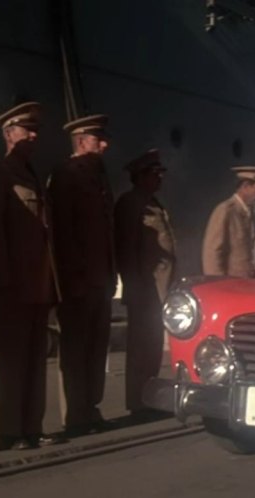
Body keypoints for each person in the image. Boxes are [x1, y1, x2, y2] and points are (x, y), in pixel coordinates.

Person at [0, 102, 65, 449]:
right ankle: (9, 430)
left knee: (34, 357)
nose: (33, 136)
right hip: (12, 285)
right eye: (25, 130)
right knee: (11, 359)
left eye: (35, 130)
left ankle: (32, 426)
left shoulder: (32, 175)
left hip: (38, 283)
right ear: (8, 134)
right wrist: (0, 280)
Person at [48, 114, 117, 437]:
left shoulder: (97, 177)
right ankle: (74, 414)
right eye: (96, 138)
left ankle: (90, 407)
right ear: (80, 142)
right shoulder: (66, 176)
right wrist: (70, 279)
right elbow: (62, 233)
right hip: (78, 280)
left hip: (100, 279)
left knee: (95, 347)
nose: (104, 144)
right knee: (75, 349)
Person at [114, 149, 176, 418]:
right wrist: (134, 286)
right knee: (140, 348)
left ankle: (149, 399)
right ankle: (138, 403)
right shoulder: (130, 204)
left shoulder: (153, 202)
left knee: (151, 346)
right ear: (140, 176)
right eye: (154, 174)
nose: (159, 178)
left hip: (159, 288)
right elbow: (126, 249)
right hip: (144, 288)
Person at [202, 166, 255, 277]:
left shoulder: (247, 212)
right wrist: (217, 284)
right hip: (229, 284)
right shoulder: (226, 211)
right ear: (245, 186)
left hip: (243, 283)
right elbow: (212, 253)